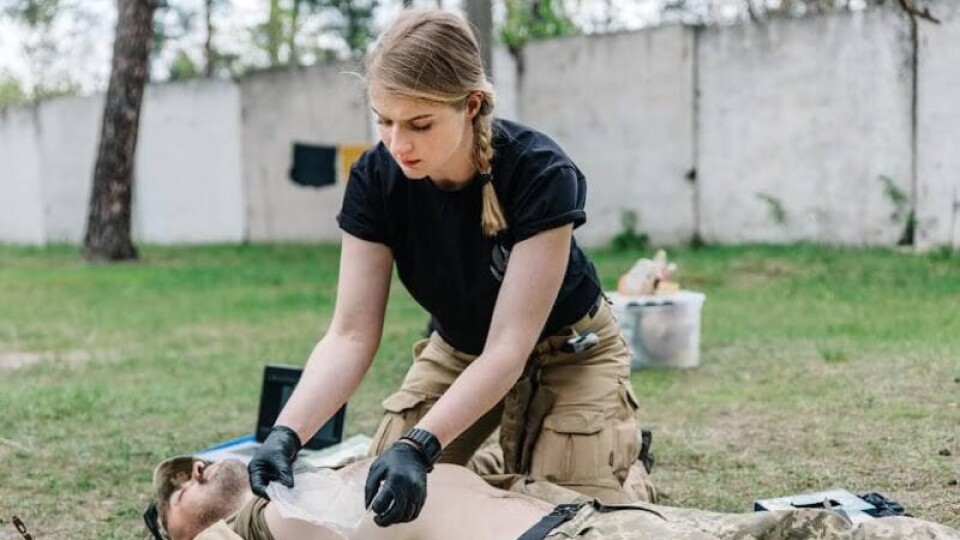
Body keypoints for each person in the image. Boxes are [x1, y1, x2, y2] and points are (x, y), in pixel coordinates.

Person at [247, 7, 650, 527]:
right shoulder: (375, 179)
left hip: (568, 350)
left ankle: (624, 463)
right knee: (384, 499)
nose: (398, 144)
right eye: (384, 121)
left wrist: (422, 446)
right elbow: (349, 334)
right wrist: (286, 433)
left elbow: (510, 347)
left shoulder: (540, 172)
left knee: (561, 514)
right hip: (459, 348)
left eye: (419, 123)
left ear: (472, 104)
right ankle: (497, 460)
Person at [145, 455, 960, 540]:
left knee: (805, 528)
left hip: (585, 515)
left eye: (188, 472)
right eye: (182, 501)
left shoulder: (324, 460)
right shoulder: (261, 529)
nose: (194, 480)